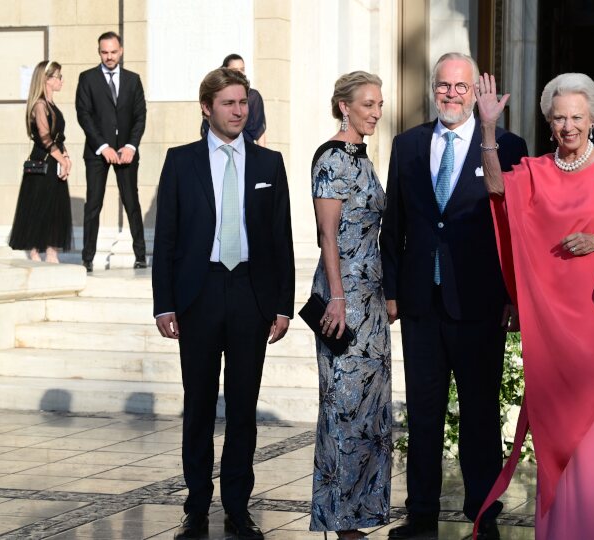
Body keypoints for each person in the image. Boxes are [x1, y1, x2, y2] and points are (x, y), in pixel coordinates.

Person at [472, 72, 594, 539]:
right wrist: (488, 129)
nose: (568, 126)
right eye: (558, 118)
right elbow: (496, 191)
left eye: (576, 117)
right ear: (549, 123)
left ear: (593, 118)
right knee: (554, 430)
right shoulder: (536, 171)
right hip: (550, 326)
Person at [379, 52, 528, 540]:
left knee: (480, 413)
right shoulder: (407, 144)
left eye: (461, 87)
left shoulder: (507, 146)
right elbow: (394, 223)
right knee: (423, 413)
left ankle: (483, 511)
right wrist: (393, 287)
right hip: (421, 301)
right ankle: (420, 513)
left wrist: (512, 295)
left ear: (476, 92)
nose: (450, 94)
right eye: (443, 86)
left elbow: (513, 228)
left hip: (479, 302)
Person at [152, 67, 295, 540]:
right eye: (230, 103)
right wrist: (163, 303)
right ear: (207, 107)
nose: (239, 111)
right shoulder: (180, 161)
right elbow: (167, 237)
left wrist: (282, 305)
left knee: (242, 407)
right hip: (199, 293)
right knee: (197, 405)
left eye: (243, 102)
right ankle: (196, 503)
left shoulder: (269, 164)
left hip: (251, 293)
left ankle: (237, 504)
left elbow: (281, 239)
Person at [309, 71, 391, 540]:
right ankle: (339, 521)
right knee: (342, 409)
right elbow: (327, 236)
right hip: (343, 303)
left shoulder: (362, 156)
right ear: (344, 106)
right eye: (367, 104)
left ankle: (359, 517)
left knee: (371, 415)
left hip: (373, 300)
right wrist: (338, 299)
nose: (376, 112)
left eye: (379, 104)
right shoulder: (332, 158)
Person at [75, 31, 147, 272]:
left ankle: (140, 256)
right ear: (99, 52)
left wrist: (131, 146)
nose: (109, 56)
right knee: (93, 204)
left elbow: (140, 116)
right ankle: (87, 259)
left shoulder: (133, 80)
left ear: (121, 51)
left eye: (113, 52)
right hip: (97, 152)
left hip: (127, 152)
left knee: (132, 202)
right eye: (104, 52)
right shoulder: (87, 78)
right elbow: (83, 114)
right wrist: (103, 146)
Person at [8, 60, 73, 263]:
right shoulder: (39, 105)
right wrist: (62, 159)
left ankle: (52, 252)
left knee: (56, 206)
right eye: (58, 76)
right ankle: (35, 252)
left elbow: (58, 137)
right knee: (39, 205)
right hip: (42, 163)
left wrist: (66, 157)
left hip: (55, 161)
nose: (61, 80)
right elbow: (45, 138)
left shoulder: (52, 105)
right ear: (47, 79)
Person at [200, 53, 268, 146]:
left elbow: (259, 130)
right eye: (235, 70)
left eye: (242, 69)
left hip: (246, 151)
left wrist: (262, 157)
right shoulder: (214, 94)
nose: (239, 73)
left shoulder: (253, 96)